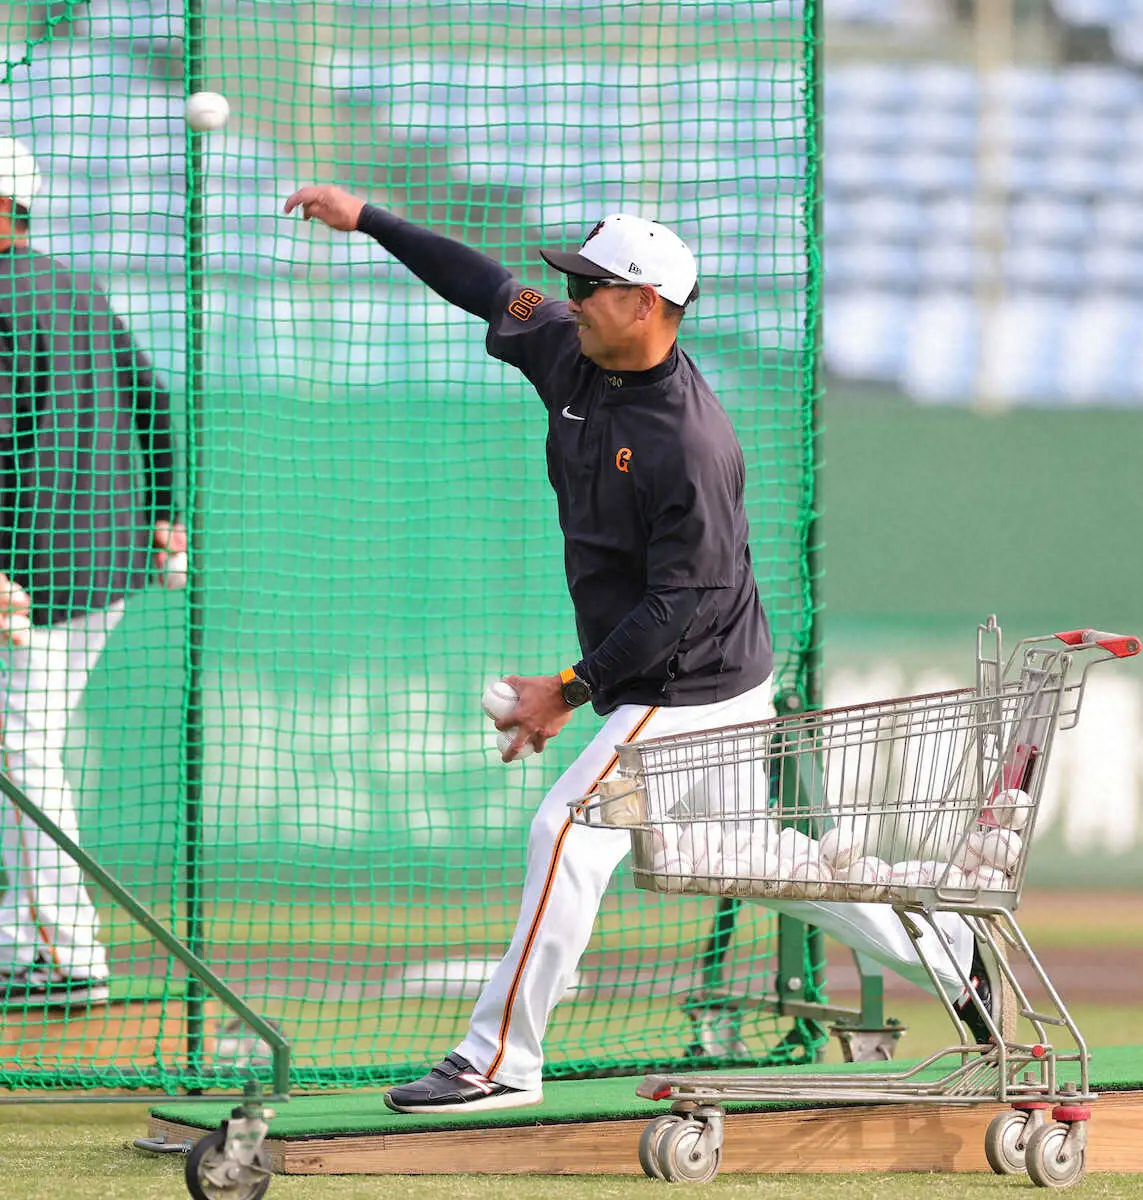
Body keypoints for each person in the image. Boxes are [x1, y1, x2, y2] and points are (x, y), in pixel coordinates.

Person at [283, 185, 999, 1112]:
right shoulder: (572, 350)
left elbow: (678, 604)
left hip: (687, 677)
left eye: (591, 284)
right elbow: (487, 286)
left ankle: (499, 1061)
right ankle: (944, 945)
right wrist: (370, 219)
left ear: (647, 305)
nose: (571, 297)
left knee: (568, 831)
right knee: (746, 862)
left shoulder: (688, 442)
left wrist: (565, 692)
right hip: (707, 670)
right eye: (575, 283)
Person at [0, 138, 185, 1008]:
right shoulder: (78, 286)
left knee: (25, 752)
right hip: (104, 562)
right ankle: (20, 934)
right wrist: (165, 512)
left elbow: (2, 446)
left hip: (30, 575)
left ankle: (72, 954)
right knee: (22, 748)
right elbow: (151, 398)